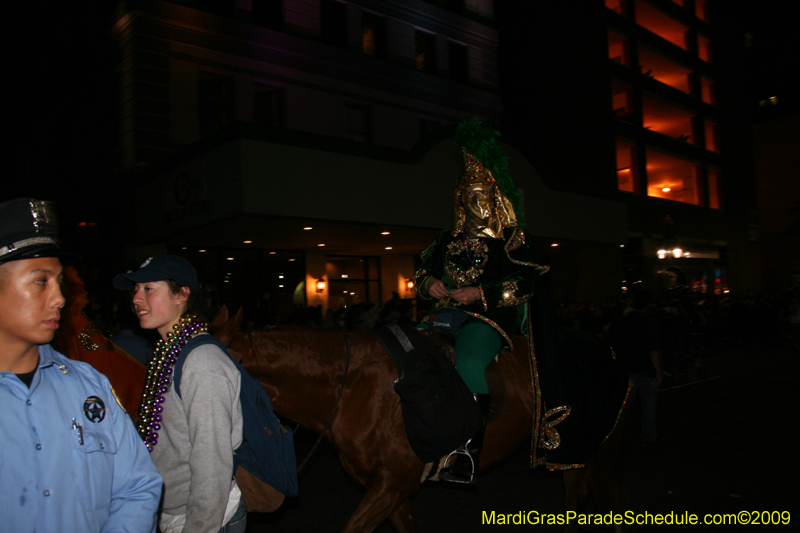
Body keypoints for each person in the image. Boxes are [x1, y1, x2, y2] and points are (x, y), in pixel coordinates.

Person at [0, 198, 162, 533]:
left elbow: (137, 488)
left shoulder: (89, 385)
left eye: (59, 282)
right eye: (41, 281)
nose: (59, 297)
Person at [415, 118, 550, 483]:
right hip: (443, 316)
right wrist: (429, 285)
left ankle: (466, 452)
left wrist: (481, 293)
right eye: (468, 194)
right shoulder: (445, 239)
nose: (475, 200)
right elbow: (420, 271)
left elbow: (527, 280)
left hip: (489, 318)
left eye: (482, 193)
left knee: (471, 362)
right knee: (403, 354)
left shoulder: (512, 238)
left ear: (495, 197)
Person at [114, 254, 246, 533]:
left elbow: (212, 465)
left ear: (182, 294)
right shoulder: (167, 353)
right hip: (168, 511)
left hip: (201, 519)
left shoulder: (202, 362)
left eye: (148, 288)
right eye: (135, 290)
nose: (137, 298)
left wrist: (198, 527)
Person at [608, 289, 663, 442]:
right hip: (645, 369)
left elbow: (613, 343)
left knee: (624, 406)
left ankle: (616, 434)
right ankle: (649, 435)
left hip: (627, 369)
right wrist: (658, 371)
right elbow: (653, 349)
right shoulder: (650, 322)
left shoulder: (623, 322)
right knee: (648, 405)